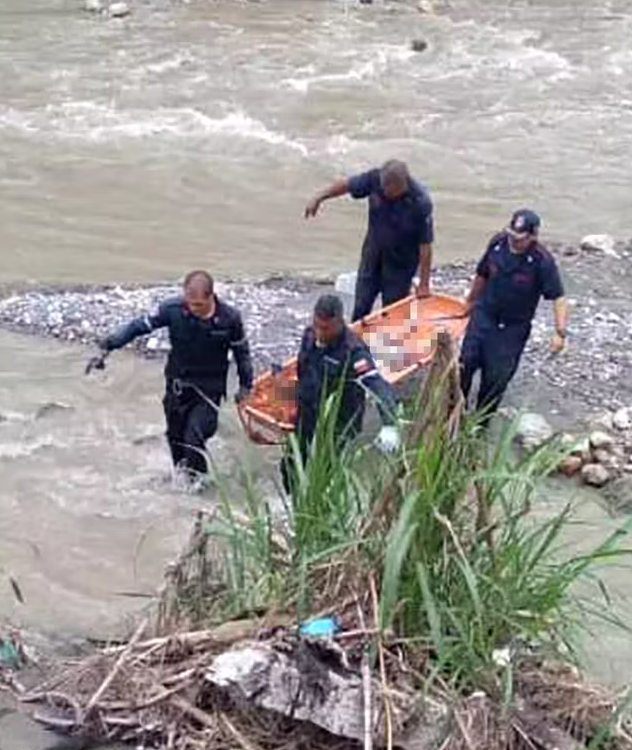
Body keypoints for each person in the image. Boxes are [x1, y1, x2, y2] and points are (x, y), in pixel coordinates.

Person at [86, 270, 253, 484]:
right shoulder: (172, 309)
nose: (193, 310)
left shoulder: (230, 318)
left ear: (211, 297)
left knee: (195, 439)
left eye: (199, 306)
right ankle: (182, 489)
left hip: (209, 390)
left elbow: (242, 353)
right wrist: (107, 346)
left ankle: (200, 491)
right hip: (177, 386)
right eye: (190, 304)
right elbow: (137, 327)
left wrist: (245, 386)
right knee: (176, 442)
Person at [282, 293, 400, 492]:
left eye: (326, 328)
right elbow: (303, 372)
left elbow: (377, 385)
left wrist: (390, 423)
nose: (320, 332)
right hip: (309, 411)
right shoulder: (309, 335)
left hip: (338, 422)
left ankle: (321, 509)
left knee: (325, 471)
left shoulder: (354, 352)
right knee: (290, 464)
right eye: (317, 325)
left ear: (339, 322)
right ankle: (294, 505)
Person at [460, 209, 568, 421]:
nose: (513, 241)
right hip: (484, 316)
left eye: (519, 239)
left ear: (533, 236)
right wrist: (470, 302)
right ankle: (455, 414)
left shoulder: (541, 261)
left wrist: (560, 332)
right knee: (465, 364)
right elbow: (482, 274)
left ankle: (480, 424)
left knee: (496, 378)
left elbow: (558, 297)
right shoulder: (498, 243)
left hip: (511, 329)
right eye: (511, 235)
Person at [304, 160, 434, 322]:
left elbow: (425, 246)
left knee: (392, 313)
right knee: (361, 306)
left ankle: (390, 343)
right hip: (373, 255)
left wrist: (424, 283)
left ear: (402, 184)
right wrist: (319, 197)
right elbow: (347, 185)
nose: (384, 191)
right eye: (383, 187)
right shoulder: (375, 179)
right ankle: (356, 342)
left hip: (400, 266)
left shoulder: (420, 202)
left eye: (389, 189)